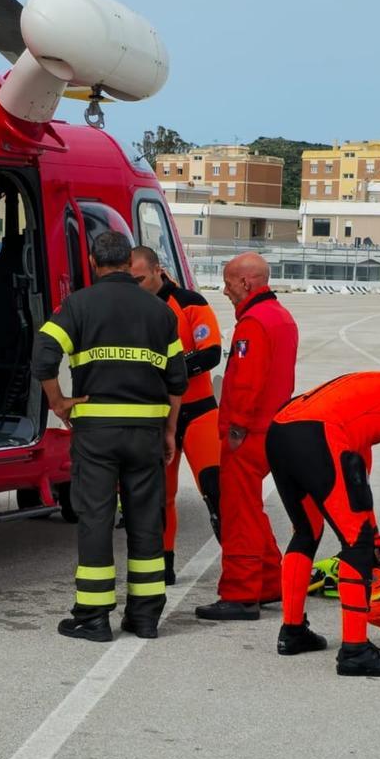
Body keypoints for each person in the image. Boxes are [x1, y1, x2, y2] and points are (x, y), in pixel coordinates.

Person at [32, 230, 188, 642]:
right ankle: (145, 616)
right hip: (146, 432)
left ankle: (94, 616)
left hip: (97, 432)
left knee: (97, 518)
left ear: (94, 262)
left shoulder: (79, 305)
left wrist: (58, 402)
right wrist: (170, 430)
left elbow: (44, 353)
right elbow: (177, 378)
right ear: (127, 264)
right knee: (145, 521)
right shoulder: (160, 312)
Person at [265, 370, 380, 677]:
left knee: (307, 531)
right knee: (356, 546)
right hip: (317, 436)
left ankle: (293, 631)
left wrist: (373, 530)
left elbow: (355, 471)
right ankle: (354, 651)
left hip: (281, 430)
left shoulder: (377, 388)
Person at [195, 253, 298, 622]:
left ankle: (240, 594)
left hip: (248, 434)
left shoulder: (254, 323)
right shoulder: (282, 317)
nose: (224, 291)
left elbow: (246, 383)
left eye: (227, 283)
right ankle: (270, 581)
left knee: (238, 515)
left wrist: (235, 429)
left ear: (245, 283)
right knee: (251, 511)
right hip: (272, 429)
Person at [130, 246, 223, 584]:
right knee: (159, 497)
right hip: (156, 414)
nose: (134, 284)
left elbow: (211, 353)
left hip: (198, 412)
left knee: (217, 492)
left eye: (139, 278)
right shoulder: (129, 308)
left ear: (158, 270)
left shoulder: (190, 302)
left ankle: (243, 570)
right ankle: (163, 566)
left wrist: (170, 369)